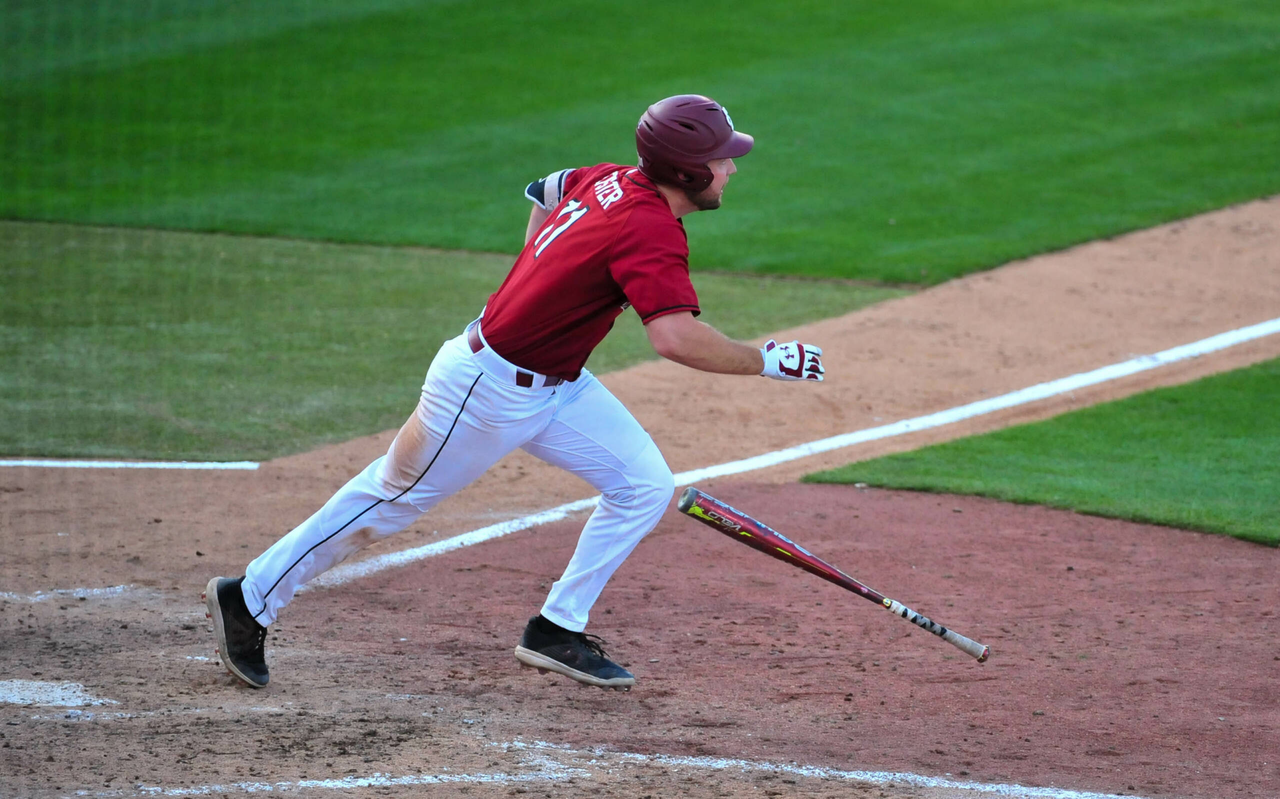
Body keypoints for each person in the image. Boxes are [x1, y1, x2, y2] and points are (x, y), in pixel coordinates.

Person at [205, 94, 824, 692]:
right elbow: (674, 338)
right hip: (486, 390)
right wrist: (765, 361)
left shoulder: (610, 179)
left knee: (642, 486)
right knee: (390, 499)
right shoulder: (649, 229)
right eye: (721, 159)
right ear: (686, 170)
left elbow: (546, 188)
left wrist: (538, 273)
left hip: (558, 386)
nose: (731, 167)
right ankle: (251, 597)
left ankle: (556, 630)